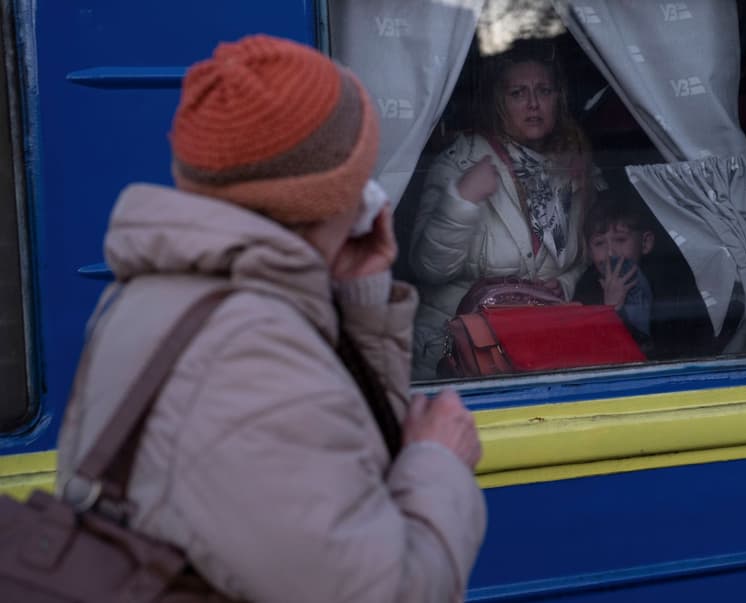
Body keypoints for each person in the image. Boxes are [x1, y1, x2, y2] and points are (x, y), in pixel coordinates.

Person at [54, 35, 486, 602]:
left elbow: (342, 466)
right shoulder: (250, 351)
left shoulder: (167, 297)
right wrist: (439, 464)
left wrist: (356, 303)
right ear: (335, 194)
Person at [408, 40, 595, 379]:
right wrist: (462, 200)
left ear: (558, 99)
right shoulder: (461, 163)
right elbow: (428, 268)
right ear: (498, 104)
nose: (534, 103)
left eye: (544, 90)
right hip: (458, 355)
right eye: (518, 93)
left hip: (537, 350)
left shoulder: (569, 167)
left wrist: (563, 284)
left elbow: (580, 254)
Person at [573, 196, 734, 360]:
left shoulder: (670, 283)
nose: (610, 253)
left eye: (620, 240)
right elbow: (588, 353)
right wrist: (611, 310)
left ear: (645, 243)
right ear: (589, 250)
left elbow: (679, 348)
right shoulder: (588, 287)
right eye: (599, 243)